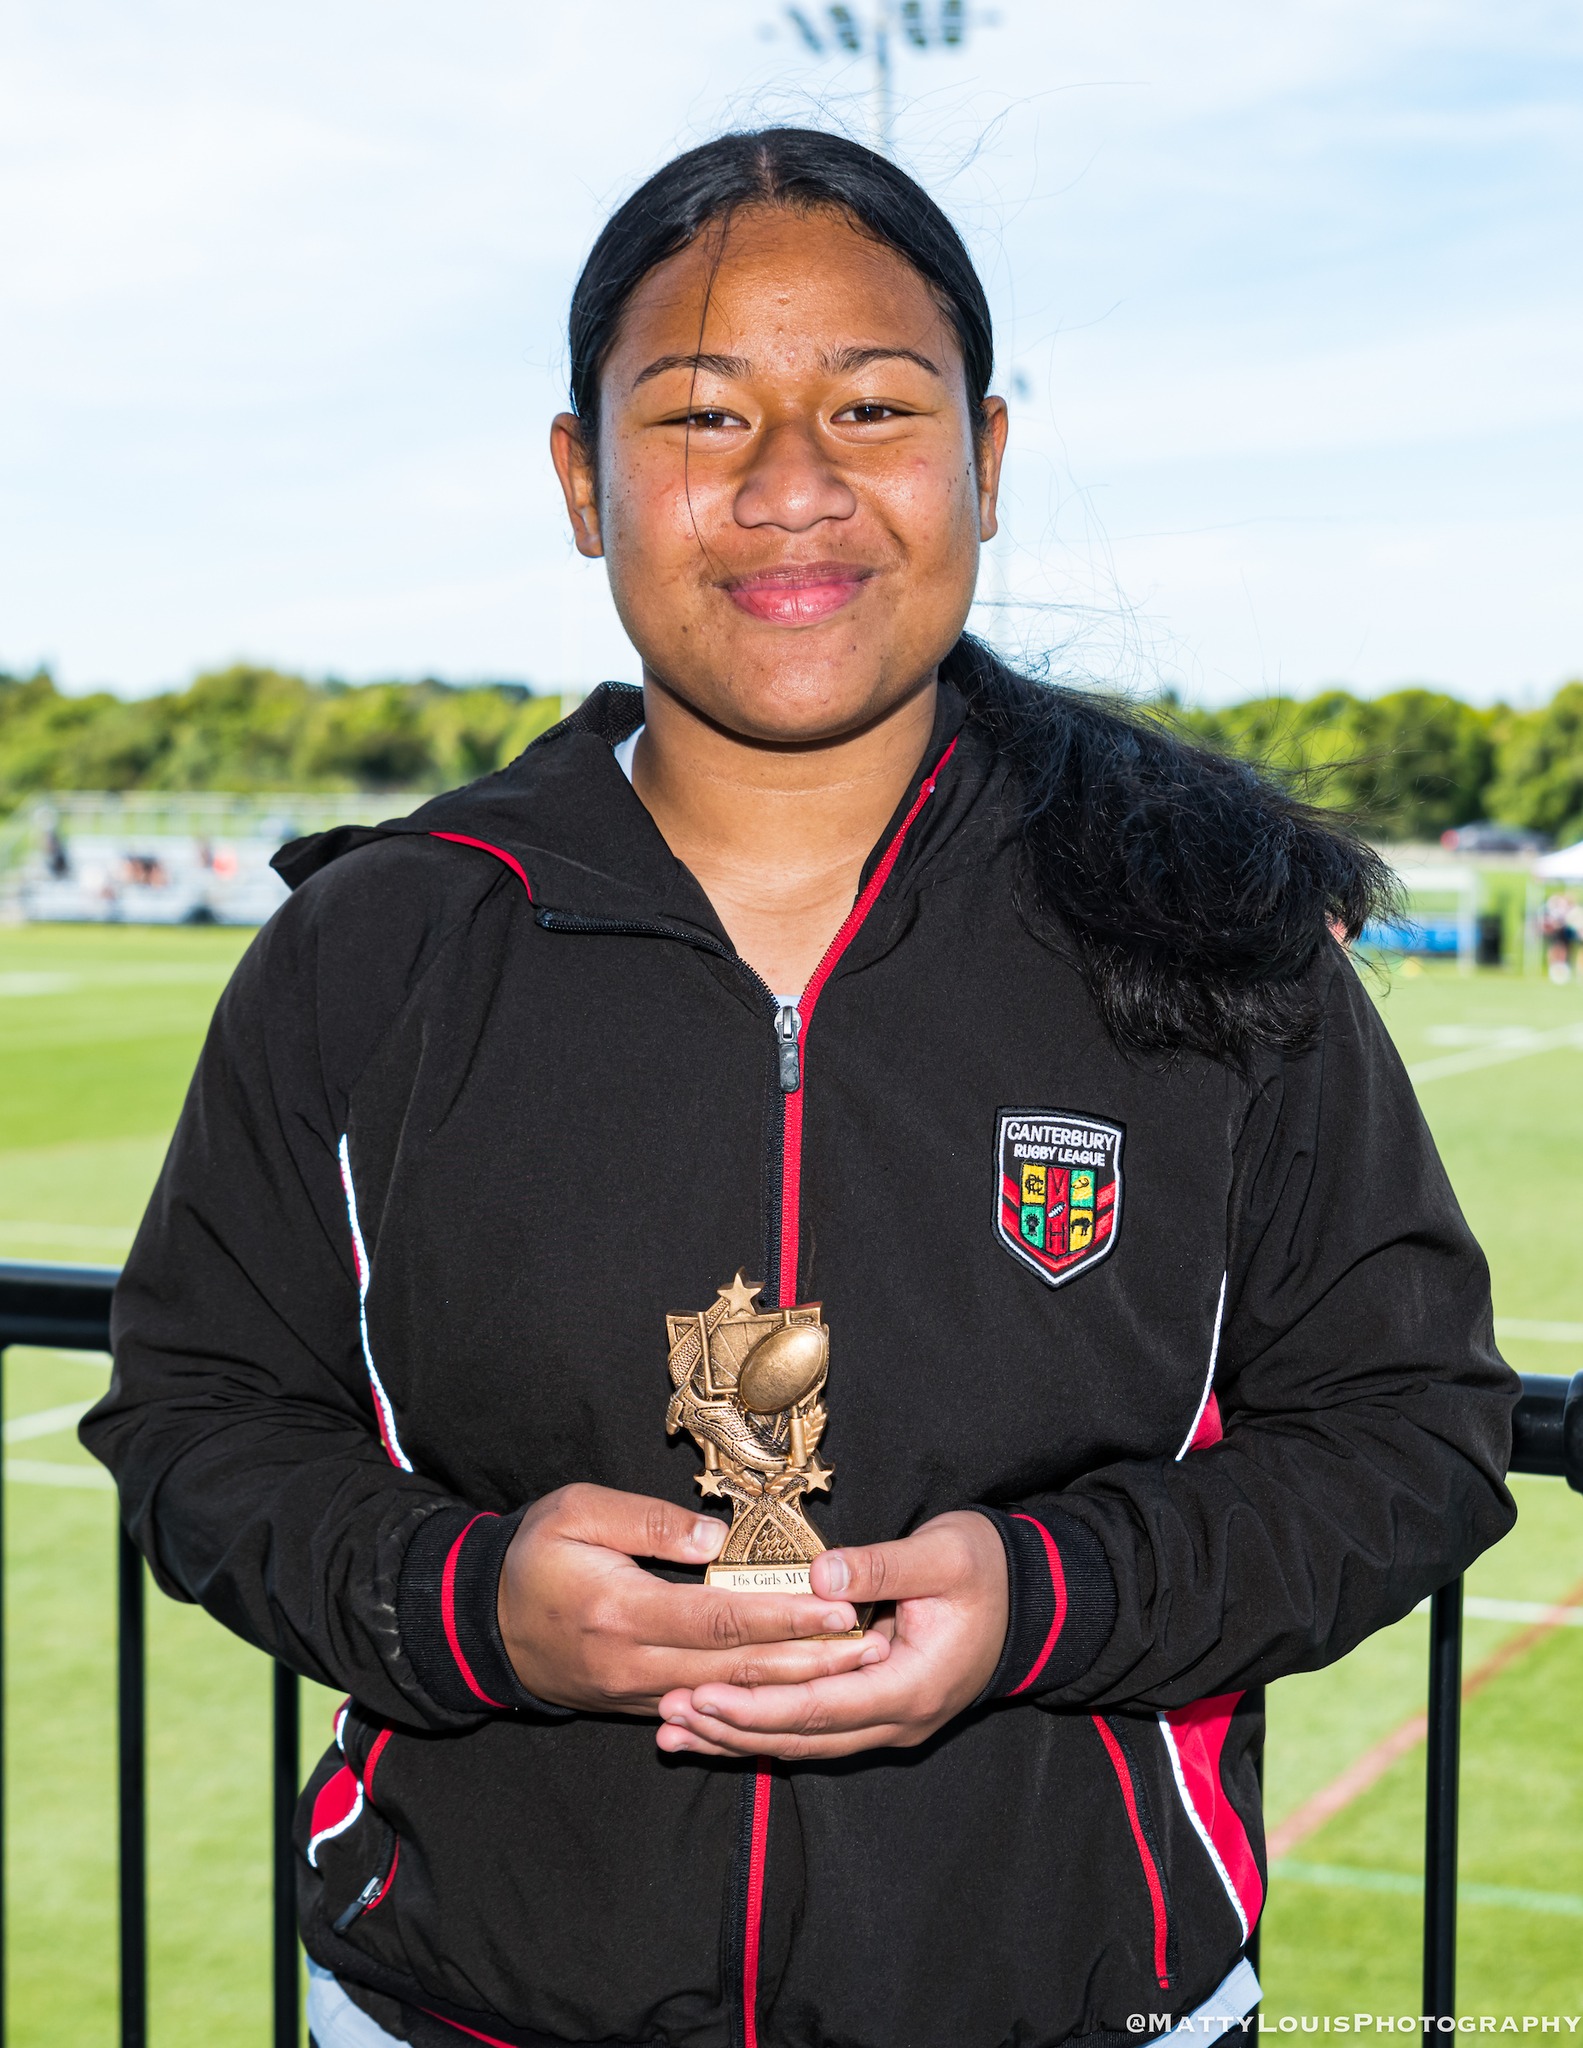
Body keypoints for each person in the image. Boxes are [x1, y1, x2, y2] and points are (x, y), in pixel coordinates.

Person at [85, 129, 1517, 2048]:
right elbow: (198, 1424)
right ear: (585, 484)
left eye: (870, 406)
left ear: (986, 465)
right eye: (701, 416)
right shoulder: (379, 945)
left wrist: (1046, 1601)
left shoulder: (1214, 938)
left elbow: (1411, 1433)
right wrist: (468, 1605)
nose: (790, 489)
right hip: (461, 2011)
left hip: (1085, 2010)